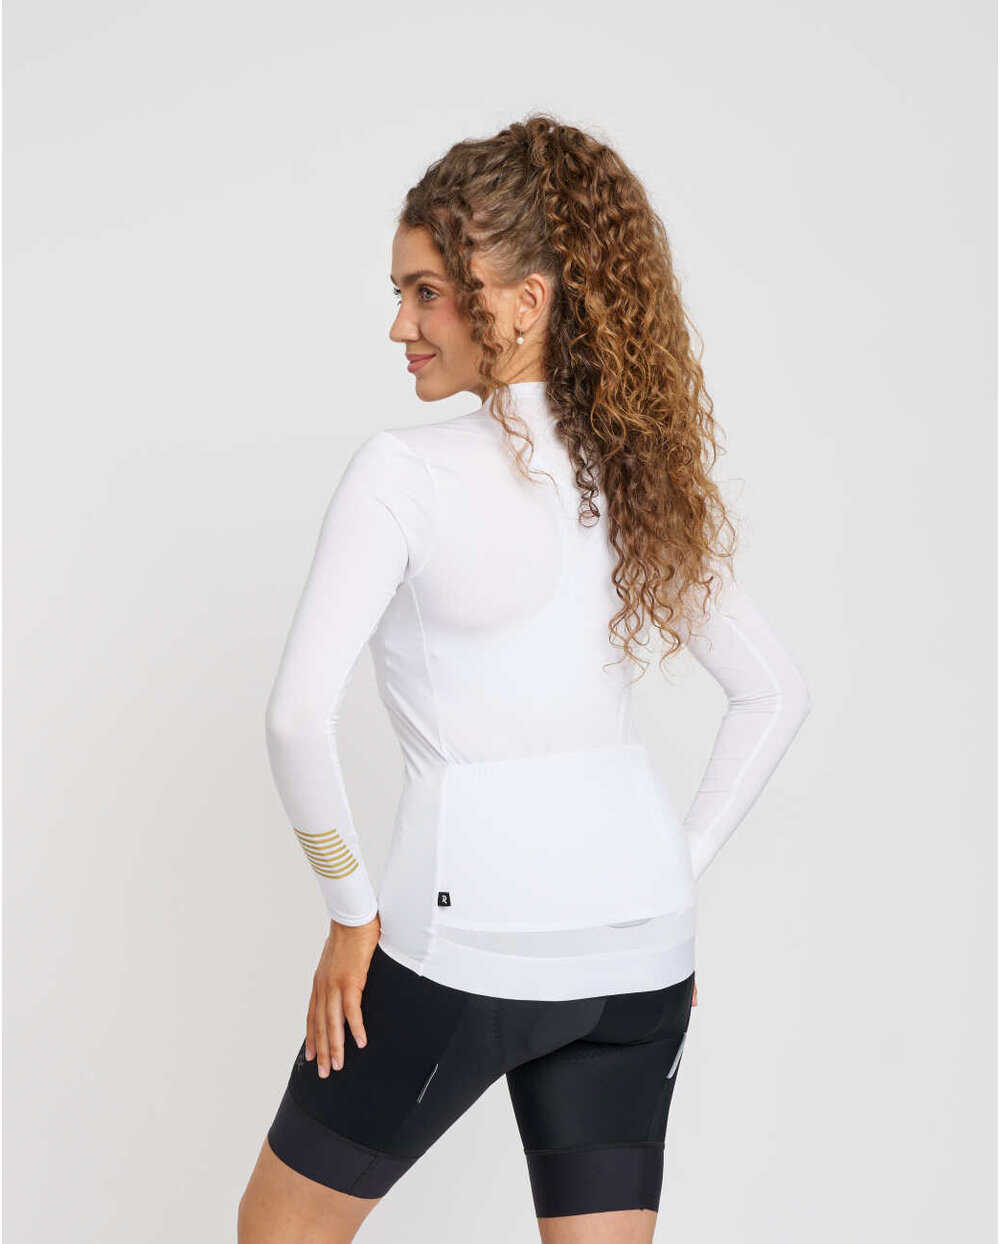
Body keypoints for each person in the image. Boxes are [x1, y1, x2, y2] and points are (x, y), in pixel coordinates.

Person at [238, 113, 811, 1244]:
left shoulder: (404, 472)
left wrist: (350, 911)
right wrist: (670, 875)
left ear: (525, 300)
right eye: (400, 294)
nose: (399, 325)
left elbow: (297, 718)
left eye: (427, 294)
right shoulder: (633, 477)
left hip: (463, 938)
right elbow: (774, 693)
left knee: (279, 1231)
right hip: (642, 951)